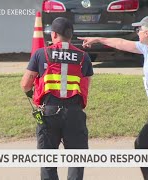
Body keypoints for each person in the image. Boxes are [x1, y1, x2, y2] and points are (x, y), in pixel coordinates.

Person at [78, 15, 148, 180]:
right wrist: (98, 39)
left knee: (141, 145)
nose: (137, 32)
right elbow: (121, 43)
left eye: (140, 29)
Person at [21, 17, 94, 180]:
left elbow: (25, 84)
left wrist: (32, 94)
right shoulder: (83, 57)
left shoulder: (41, 54)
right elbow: (86, 84)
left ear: (53, 34)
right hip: (74, 112)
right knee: (76, 160)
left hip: (48, 112)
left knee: (48, 161)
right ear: (71, 35)